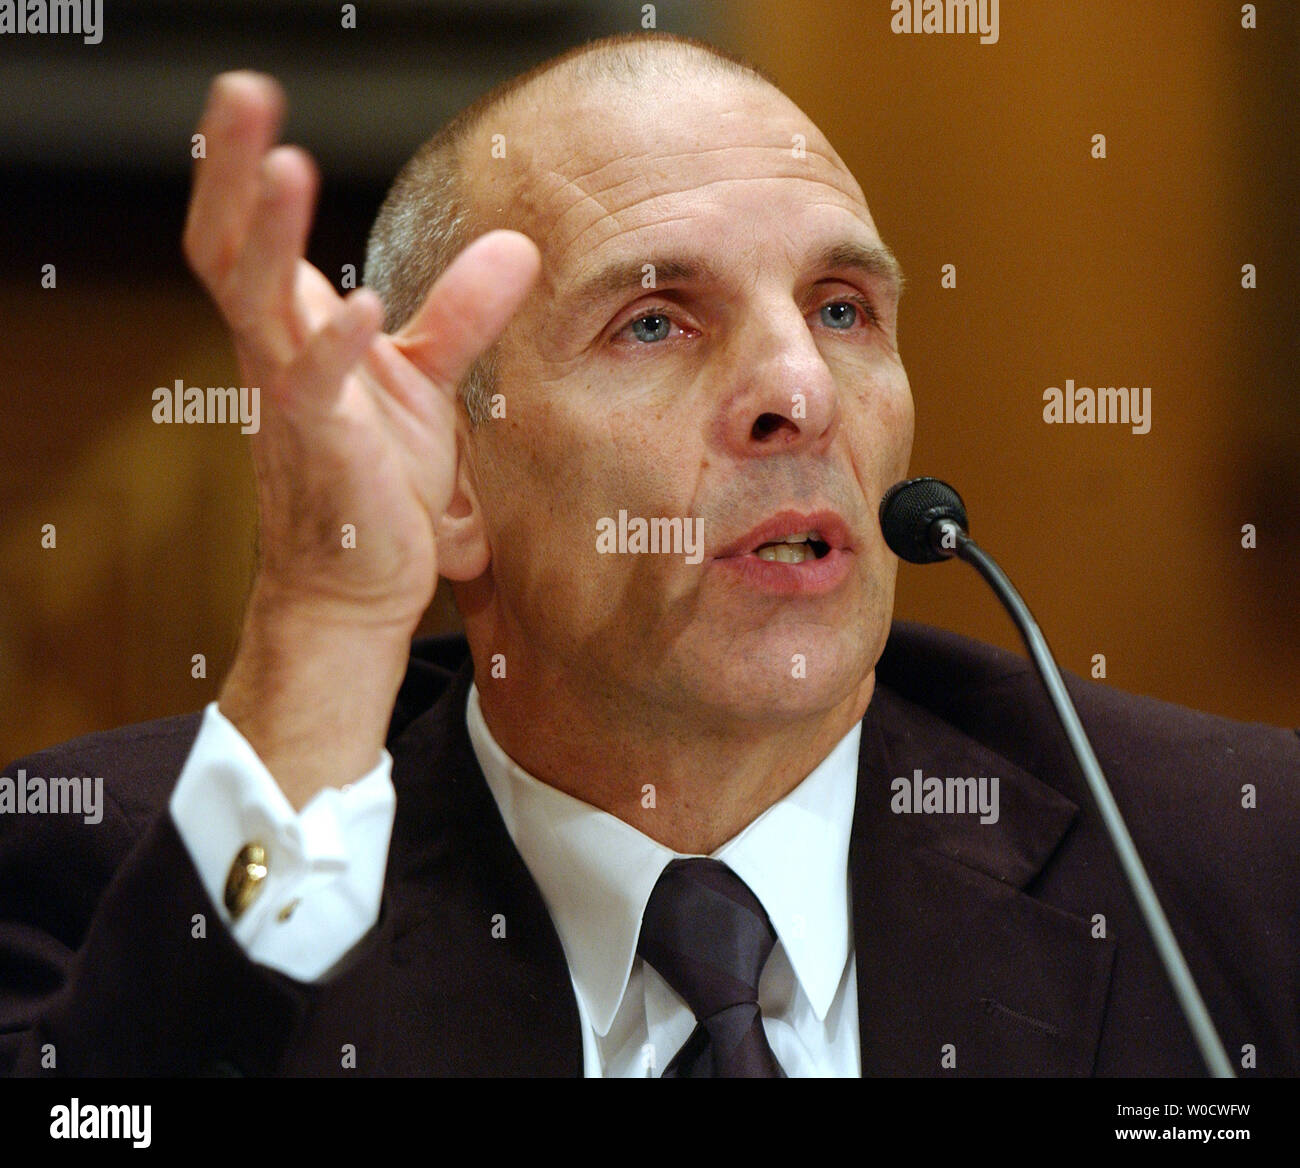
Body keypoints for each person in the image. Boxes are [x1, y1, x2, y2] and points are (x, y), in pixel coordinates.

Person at [1, 32, 1296, 1078]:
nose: (801, 389)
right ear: (455, 478)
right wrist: (329, 617)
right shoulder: (98, 875)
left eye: (843, 309)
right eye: (656, 322)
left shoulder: (1234, 868)